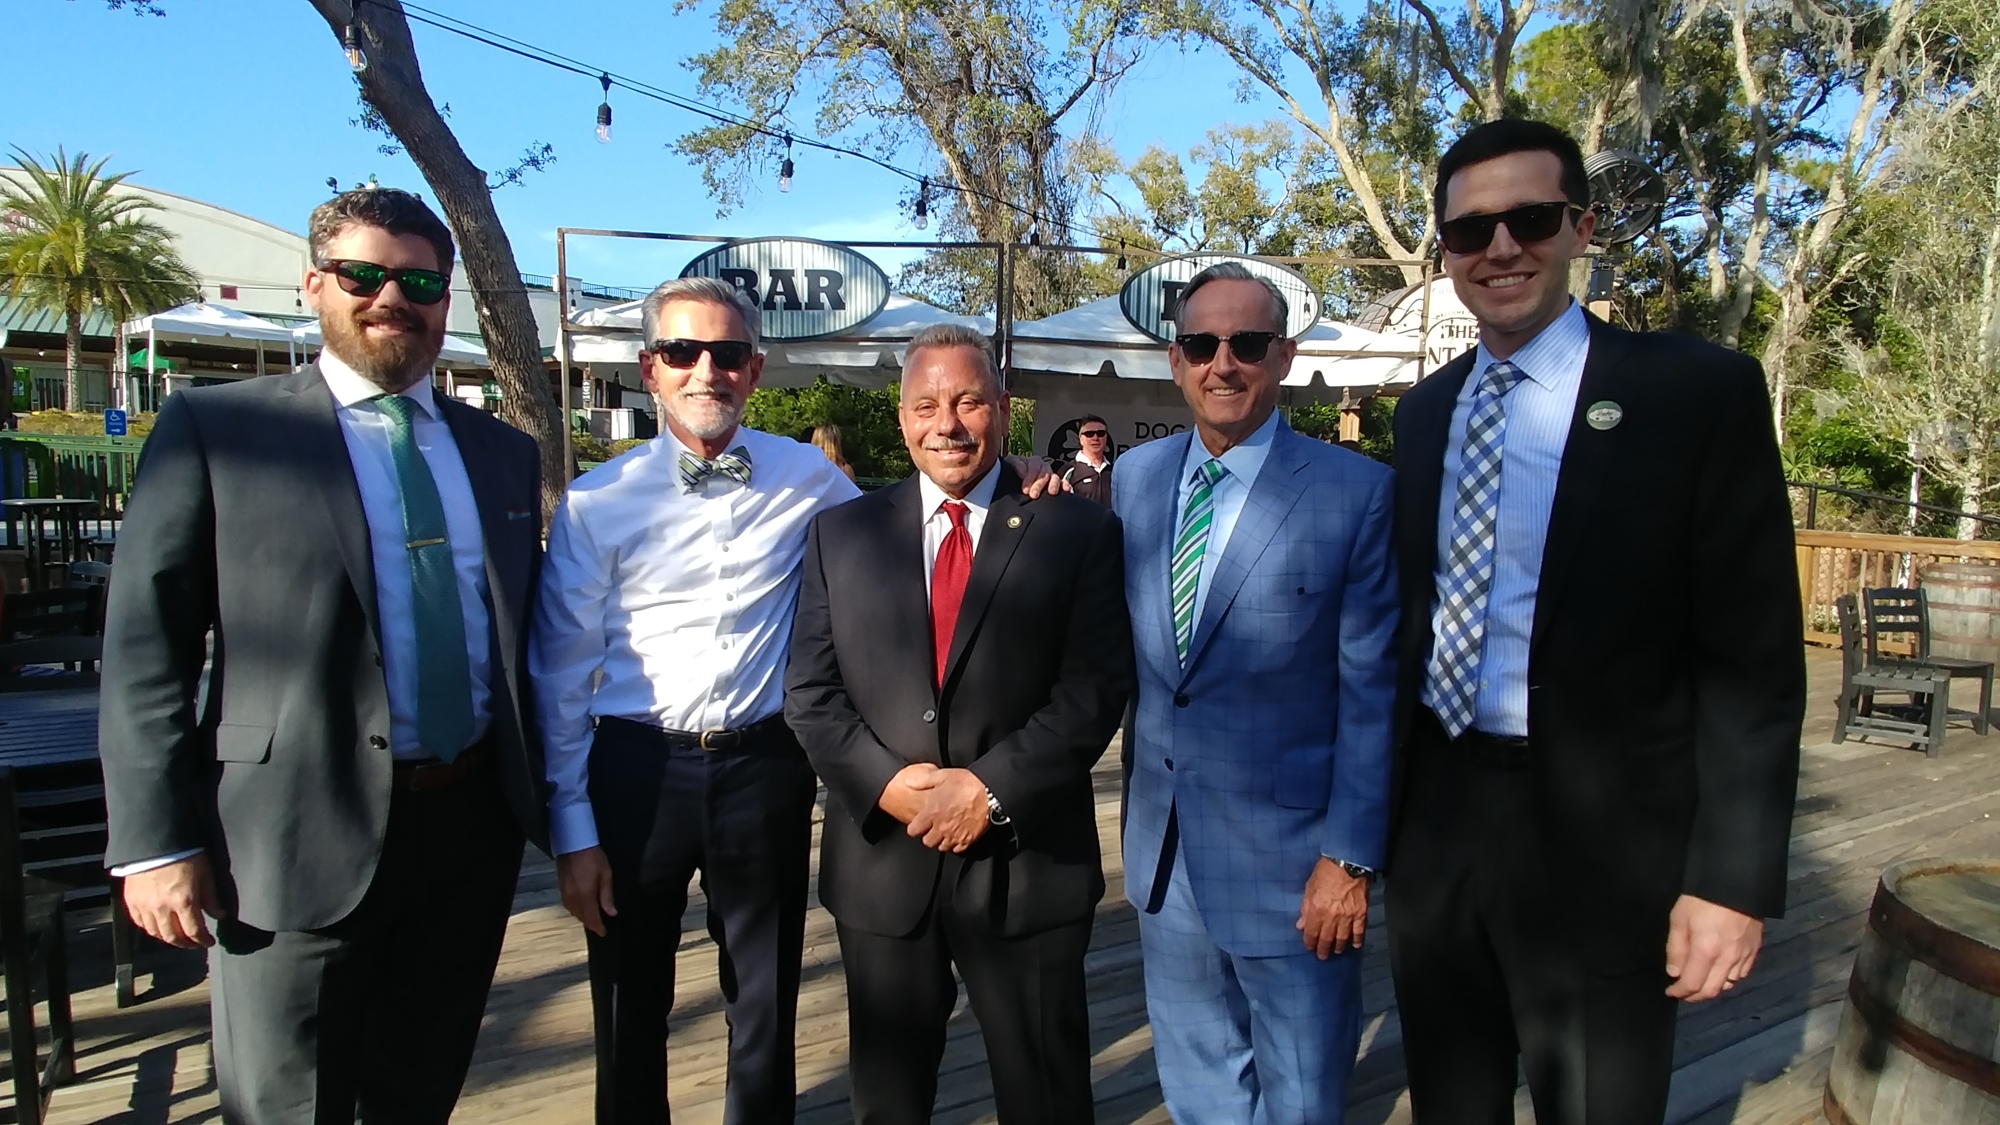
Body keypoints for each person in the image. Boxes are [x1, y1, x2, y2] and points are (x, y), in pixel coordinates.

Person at [534, 287, 1063, 1123]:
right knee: (629, 1005)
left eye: (728, 353)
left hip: (762, 768)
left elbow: (919, 517)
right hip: (633, 774)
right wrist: (572, 829)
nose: (706, 369)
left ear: (756, 368)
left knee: (765, 1008)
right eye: (682, 352)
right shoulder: (597, 501)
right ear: (650, 369)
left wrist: (1019, 477)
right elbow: (558, 674)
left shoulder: (809, 478)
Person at [1385, 118, 1804, 1125]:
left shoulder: (1692, 394)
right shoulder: (1425, 412)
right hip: (1438, 830)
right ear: (1442, 250)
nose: (1498, 249)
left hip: (1607, 849)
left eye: (1528, 219)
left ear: (1579, 227)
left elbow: (1751, 662)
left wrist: (1729, 883)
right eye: (1467, 230)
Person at [100, 186, 548, 1122]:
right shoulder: (219, 429)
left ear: (446, 297)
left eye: (420, 279)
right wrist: (154, 841)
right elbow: (147, 649)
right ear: (315, 286)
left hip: (466, 836)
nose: (394, 296)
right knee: (284, 1108)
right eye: (364, 274)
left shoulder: (501, 453)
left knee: (416, 1097)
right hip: (287, 839)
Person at [785, 323, 1133, 1125]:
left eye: (969, 400)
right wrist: (891, 789)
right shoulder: (842, 534)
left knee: (1045, 1098)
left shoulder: (1077, 532)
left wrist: (989, 790)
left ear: (1003, 410)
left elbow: (1094, 688)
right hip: (883, 872)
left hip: (1026, 866)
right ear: (903, 417)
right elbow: (810, 691)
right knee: (888, 1104)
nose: (948, 422)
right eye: (928, 404)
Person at [1114, 262, 1399, 1123]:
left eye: (1246, 343)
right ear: (1176, 361)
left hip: (1295, 867)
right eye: (1202, 344)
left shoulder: (1355, 493)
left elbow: (1374, 692)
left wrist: (1348, 859)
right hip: (1164, 856)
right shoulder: (1134, 480)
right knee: (1199, 1079)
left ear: (1285, 356)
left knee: (1305, 1091)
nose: (1222, 363)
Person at [1061, 414, 1113, 504]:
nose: (1095, 438)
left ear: (1106, 437)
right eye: (1089, 434)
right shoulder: (1068, 470)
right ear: (1081, 439)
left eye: (1100, 433)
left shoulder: (1114, 470)